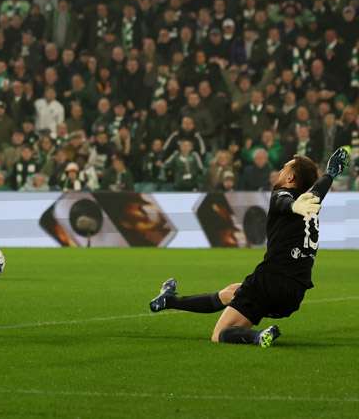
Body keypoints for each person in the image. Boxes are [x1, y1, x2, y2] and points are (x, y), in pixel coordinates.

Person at [149, 148, 350, 348]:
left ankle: (258, 336)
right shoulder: (310, 202)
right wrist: (330, 174)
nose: (280, 171)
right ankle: (169, 301)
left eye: (284, 168)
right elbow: (317, 191)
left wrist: (293, 206)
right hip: (294, 293)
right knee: (231, 292)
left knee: (219, 334)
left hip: (270, 282)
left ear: (290, 177)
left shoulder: (285, 195)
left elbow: (283, 202)